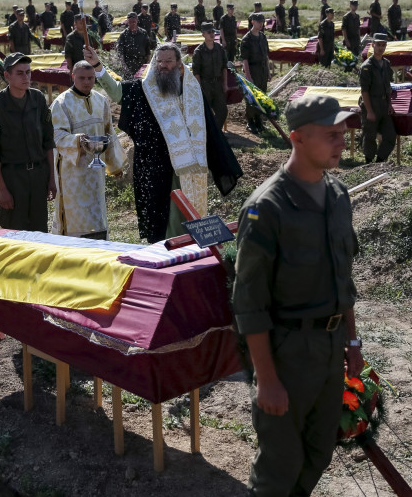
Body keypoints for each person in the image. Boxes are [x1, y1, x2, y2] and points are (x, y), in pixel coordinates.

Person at [233, 93, 362, 497]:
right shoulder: (266, 207)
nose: (341, 141)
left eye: (343, 132)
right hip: (287, 351)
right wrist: (266, 380)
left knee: (319, 451)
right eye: (331, 134)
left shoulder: (338, 195)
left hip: (331, 345)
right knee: (279, 464)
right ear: (297, 139)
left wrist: (352, 340)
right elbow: (249, 302)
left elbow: (345, 279)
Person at [84, 43, 211, 242]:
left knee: (184, 210)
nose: (163, 65)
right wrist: (98, 65)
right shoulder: (144, 89)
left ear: (179, 64)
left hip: (186, 166)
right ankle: (165, 246)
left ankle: (188, 244)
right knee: (160, 214)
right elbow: (118, 92)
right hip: (154, 163)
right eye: (159, 61)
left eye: (168, 61)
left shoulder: (191, 91)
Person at [50, 61, 127, 238]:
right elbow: (57, 136)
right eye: (82, 78)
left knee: (97, 210)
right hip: (73, 173)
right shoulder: (61, 103)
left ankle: (99, 245)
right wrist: (79, 141)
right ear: (73, 77)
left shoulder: (101, 101)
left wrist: (115, 165)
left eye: (91, 78)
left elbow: (108, 132)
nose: (87, 82)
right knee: (75, 216)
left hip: (96, 171)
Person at [0, 52, 56, 232]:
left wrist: (51, 179)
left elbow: (48, 141)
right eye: (20, 73)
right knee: (15, 232)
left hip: (38, 175)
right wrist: (2, 189)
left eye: (28, 72)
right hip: (13, 178)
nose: (26, 77)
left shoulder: (38, 99)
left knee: (40, 231)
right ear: (7, 76)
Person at [360, 33, 396, 164]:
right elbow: (364, 91)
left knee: (390, 136)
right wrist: (369, 111)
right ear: (373, 45)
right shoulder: (366, 66)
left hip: (384, 104)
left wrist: (390, 104)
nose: (381, 48)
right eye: (378, 45)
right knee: (369, 136)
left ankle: (379, 162)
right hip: (371, 103)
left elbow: (388, 87)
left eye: (383, 45)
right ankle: (368, 164)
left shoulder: (386, 64)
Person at [192, 21, 228, 129]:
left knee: (222, 111)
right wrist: (199, 88)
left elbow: (224, 68)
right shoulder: (199, 51)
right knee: (205, 112)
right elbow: (196, 72)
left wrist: (225, 84)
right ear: (203, 34)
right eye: (209, 32)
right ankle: (208, 135)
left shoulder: (220, 48)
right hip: (205, 84)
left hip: (217, 83)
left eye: (213, 31)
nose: (212, 34)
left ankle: (216, 133)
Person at [241, 12, 270, 135]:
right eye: (259, 22)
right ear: (253, 22)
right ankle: (250, 121)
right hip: (253, 70)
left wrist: (268, 71)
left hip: (263, 70)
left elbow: (266, 56)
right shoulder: (246, 39)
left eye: (262, 22)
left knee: (262, 95)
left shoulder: (263, 37)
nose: (261, 24)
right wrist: (248, 76)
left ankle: (258, 119)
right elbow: (245, 60)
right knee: (252, 96)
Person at [116, 12, 151, 78]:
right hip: (129, 64)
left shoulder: (143, 33)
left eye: (134, 21)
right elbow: (120, 51)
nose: (132, 23)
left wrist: (148, 63)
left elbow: (148, 49)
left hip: (141, 63)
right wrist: (123, 65)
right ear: (127, 22)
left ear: (137, 21)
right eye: (130, 22)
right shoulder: (123, 35)